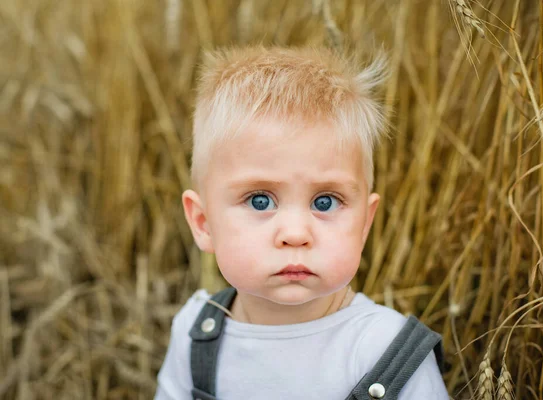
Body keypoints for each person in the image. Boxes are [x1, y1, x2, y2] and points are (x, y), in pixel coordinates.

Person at [155, 46, 448, 399]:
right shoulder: (196, 332)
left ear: (365, 223)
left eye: (325, 202)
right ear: (203, 223)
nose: (295, 234)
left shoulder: (384, 349)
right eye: (260, 200)